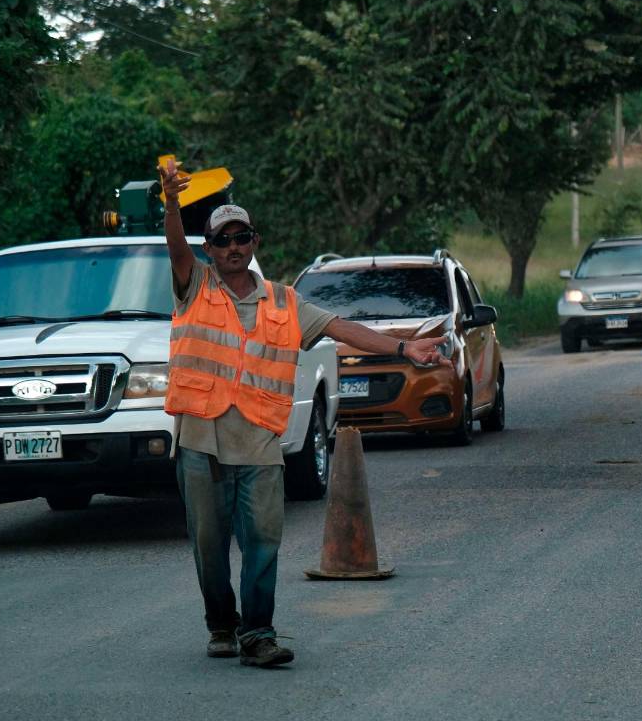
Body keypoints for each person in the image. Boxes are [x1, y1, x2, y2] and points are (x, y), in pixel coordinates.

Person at [159, 160, 451, 669]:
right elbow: (175, 248)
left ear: (254, 243)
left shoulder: (285, 302)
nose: (233, 247)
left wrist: (405, 349)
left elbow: (343, 329)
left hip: (260, 442)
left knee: (263, 543)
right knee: (209, 547)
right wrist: (170, 203)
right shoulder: (195, 286)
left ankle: (258, 634)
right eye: (222, 239)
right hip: (201, 441)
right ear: (209, 248)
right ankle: (221, 624)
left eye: (241, 237)